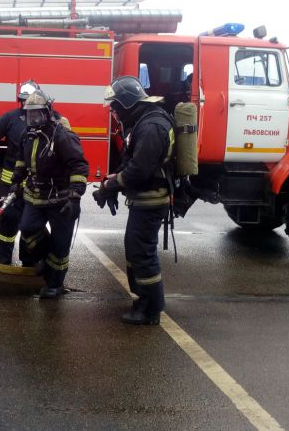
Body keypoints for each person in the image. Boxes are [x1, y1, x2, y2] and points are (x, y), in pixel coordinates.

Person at [94, 75, 175, 325]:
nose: (115, 113)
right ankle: (143, 300)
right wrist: (113, 181)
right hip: (143, 199)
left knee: (142, 253)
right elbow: (131, 161)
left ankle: (150, 310)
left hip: (151, 200)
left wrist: (110, 185)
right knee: (135, 250)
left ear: (127, 104)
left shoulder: (151, 126)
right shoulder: (143, 121)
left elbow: (140, 170)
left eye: (116, 107)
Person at [12, 90, 89, 298]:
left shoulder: (62, 136)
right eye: (29, 115)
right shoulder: (26, 135)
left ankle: (55, 284)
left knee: (60, 244)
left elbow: (79, 166)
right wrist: (16, 181)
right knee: (27, 229)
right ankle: (46, 261)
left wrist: (75, 196)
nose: (33, 119)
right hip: (35, 196)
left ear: (47, 113)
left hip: (61, 199)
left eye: (37, 114)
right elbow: (21, 160)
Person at [0, 80, 40, 265]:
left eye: (29, 99)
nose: (25, 104)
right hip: (11, 184)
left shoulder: (45, 118)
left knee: (29, 226)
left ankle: (28, 262)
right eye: (23, 99)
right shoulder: (10, 118)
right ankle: (3, 261)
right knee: (8, 222)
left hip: (34, 184)